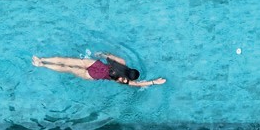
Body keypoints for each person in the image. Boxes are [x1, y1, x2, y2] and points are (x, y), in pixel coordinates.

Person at [31, 51, 166, 87]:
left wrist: (100, 54)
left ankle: (42, 59)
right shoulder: (124, 80)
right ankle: (42, 65)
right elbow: (138, 84)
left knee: (67, 61)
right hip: (94, 75)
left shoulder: (122, 62)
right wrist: (154, 82)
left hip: (96, 65)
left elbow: (108, 56)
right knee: (68, 69)